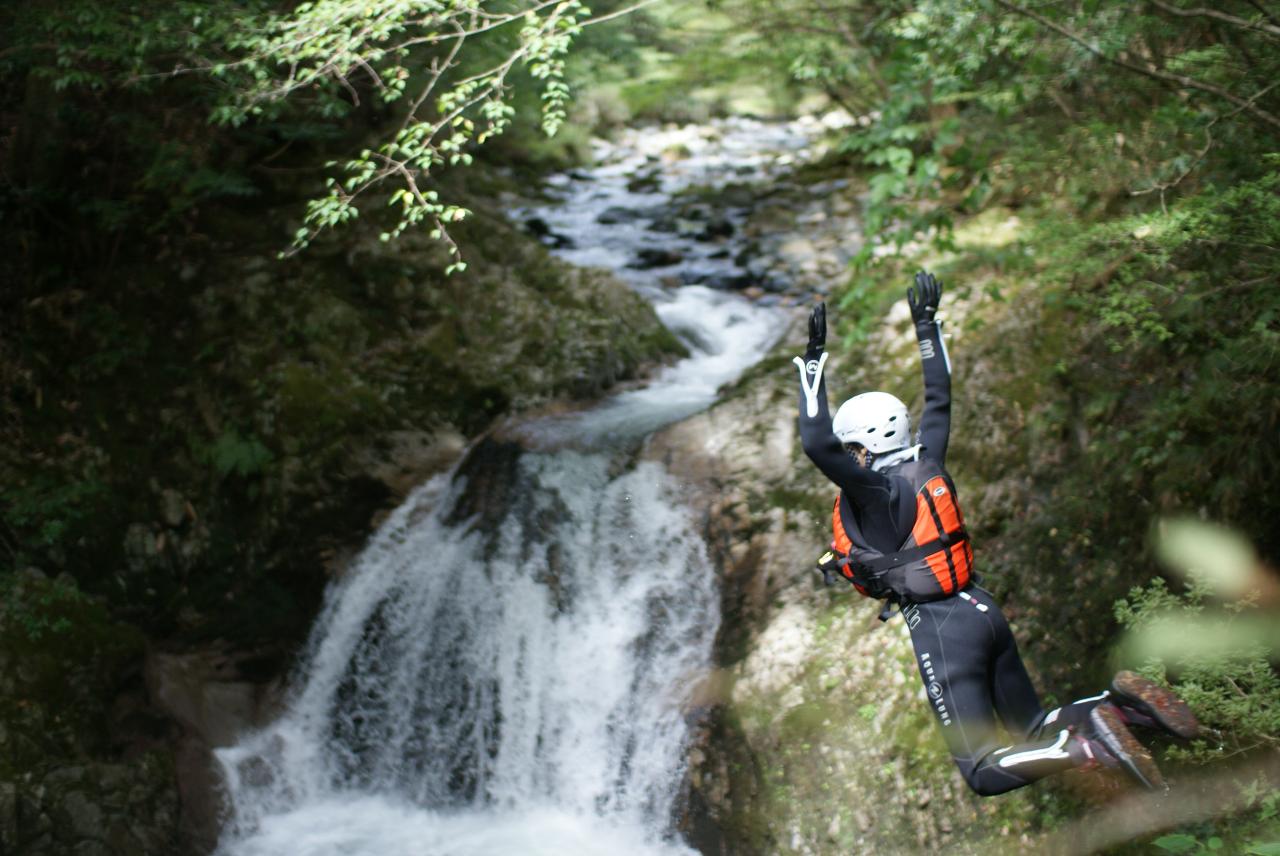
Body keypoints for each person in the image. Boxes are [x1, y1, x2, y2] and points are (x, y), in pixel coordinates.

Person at [792, 272, 1199, 796]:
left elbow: (815, 445)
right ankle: (1120, 707)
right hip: (982, 608)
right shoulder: (928, 462)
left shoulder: (877, 495)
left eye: (852, 449)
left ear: (864, 450)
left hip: (944, 628)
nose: (849, 458)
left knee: (982, 771)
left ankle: (1087, 747)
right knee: (1033, 727)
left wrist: (812, 366)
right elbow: (938, 398)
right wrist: (926, 325)